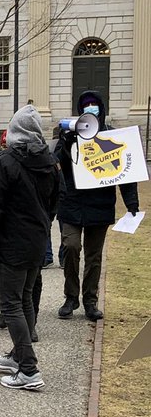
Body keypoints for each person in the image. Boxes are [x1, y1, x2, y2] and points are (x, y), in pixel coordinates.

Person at [0, 105, 59, 391]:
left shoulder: (6, 161)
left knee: (11, 303)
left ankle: (28, 368)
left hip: (11, 242)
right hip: (36, 239)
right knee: (24, 299)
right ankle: (18, 355)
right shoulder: (49, 161)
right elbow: (53, 204)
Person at [54, 90, 139, 321]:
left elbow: (125, 172)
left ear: (101, 107)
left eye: (94, 103)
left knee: (94, 256)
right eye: (86, 104)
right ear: (80, 110)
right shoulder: (70, 135)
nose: (91, 107)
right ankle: (70, 297)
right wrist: (64, 142)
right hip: (71, 204)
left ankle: (90, 301)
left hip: (100, 205)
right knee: (70, 247)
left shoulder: (113, 135)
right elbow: (55, 165)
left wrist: (131, 203)